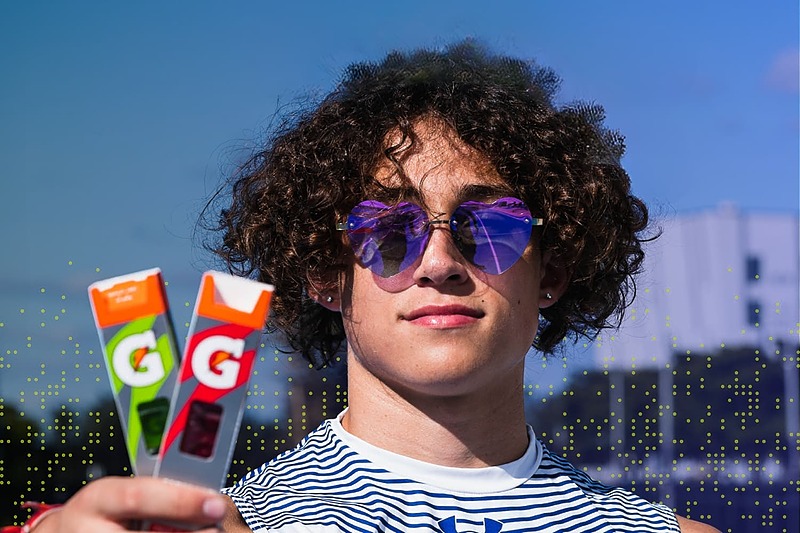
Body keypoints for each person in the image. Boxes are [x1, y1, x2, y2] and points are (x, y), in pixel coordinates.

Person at [27, 41, 719, 532]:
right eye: (389, 230)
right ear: (328, 275)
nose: (438, 259)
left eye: (491, 225)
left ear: (555, 271)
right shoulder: (225, 525)